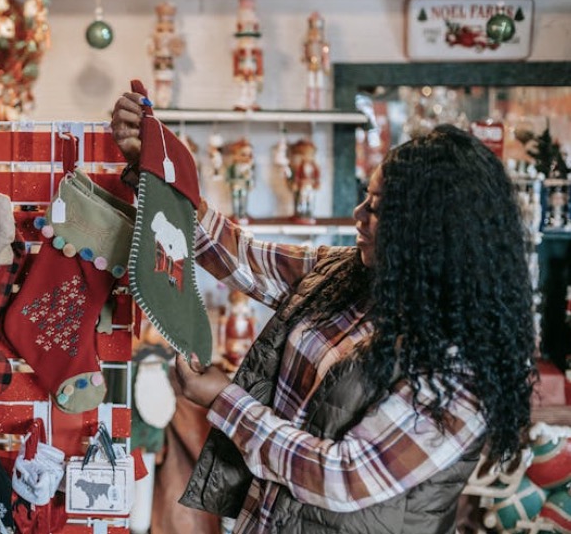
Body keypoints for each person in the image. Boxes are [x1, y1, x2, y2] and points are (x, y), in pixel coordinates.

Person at [111, 91, 536, 534]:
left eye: (376, 209)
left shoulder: (461, 370)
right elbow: (243, 257)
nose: (358, 215)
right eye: (364, 199)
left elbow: (343, 477)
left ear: (431, 233)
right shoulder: (352, 274)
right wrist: (157, 169)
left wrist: (224, 401)